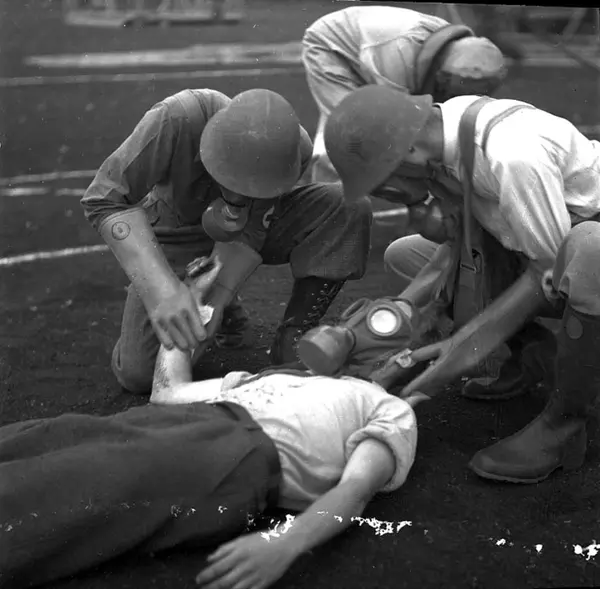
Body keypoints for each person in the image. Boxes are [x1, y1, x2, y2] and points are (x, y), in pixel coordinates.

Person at [0, 259, 418, 589]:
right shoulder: (278, 376)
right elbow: (168, 391)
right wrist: (194, 301)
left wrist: (287, 542)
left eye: (383, 327)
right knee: (54, 435)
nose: (356, 332)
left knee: (86, 479)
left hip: (240, 454)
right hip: (183, 420)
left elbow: (355, 490)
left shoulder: (388, 409)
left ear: (403, 357)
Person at [323, 84, 600, 484]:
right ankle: (533, 356)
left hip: (576, 253)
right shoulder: (447, 128)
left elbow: (546, 274)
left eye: (382, 185)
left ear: (409, 152)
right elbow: (466, 245)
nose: (388, 196)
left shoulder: (513, 155)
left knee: (590, 249)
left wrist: (456, 354)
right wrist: (403, 311)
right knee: (405, 254)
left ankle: (564, 425)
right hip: (550, 247)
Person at [80, 88, 371, 394]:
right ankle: (211, 303)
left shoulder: (292, 148)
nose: (240, 195)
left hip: (244, 229)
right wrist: (163, 292)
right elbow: (104, 198)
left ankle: (293, 334)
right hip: (176, 233)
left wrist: (218, 295)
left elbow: (254, 225)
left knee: (345, 205)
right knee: (141, 374)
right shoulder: (176, 119)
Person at [301, 5, 507, 184]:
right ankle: (330, 199)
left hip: (372, 48)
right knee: (351, 130)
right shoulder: (397, 56)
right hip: (332, 46)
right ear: (442, 75)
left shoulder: (462, 52)